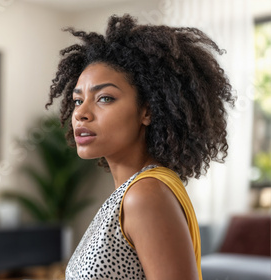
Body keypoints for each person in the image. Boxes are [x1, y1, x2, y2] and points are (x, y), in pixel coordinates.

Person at [46, 14, 234, 280]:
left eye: (105, 98)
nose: (81, 114)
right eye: (78, 101)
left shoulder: (145, 194)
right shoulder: (137, 190)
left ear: (148, 110)